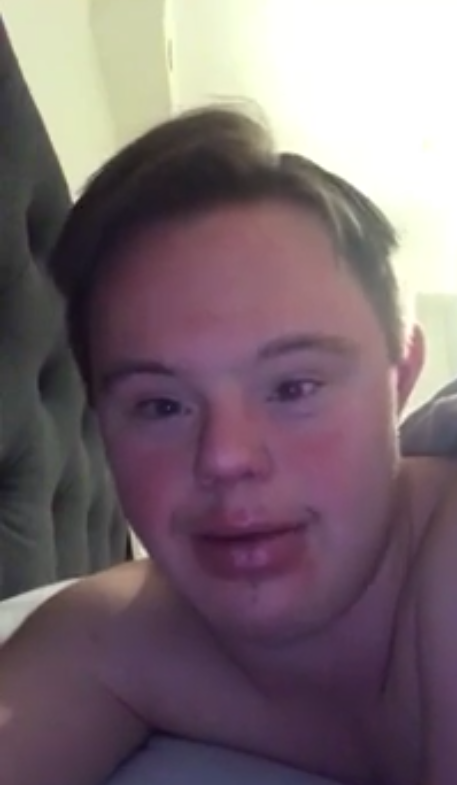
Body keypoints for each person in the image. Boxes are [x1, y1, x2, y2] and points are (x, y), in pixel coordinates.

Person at [1, 106, 456, 785]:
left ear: (402, 374)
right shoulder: (112, 636)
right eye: (161, 405)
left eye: (294, 387)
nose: (224, 456)